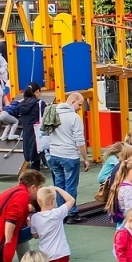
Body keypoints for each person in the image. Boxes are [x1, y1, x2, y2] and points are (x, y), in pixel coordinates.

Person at [43, 93, 87, 221]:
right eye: (79, 104)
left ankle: (61, 211)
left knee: (59, 183)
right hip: (69, 154)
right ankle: (71, 212)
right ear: (73, 101)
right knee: (71, 184)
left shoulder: (53, 112)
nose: (79, 107)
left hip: (54, 153)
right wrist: (85, 158)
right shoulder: (74, 117)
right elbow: (79, 140)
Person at [29, 185, 75, 262]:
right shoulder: (57, 213)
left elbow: (35, 235)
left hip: (45, 255)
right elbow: (71, 200)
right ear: (53, 201)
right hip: (61, 253)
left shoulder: (35, 218)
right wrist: (57, 189)